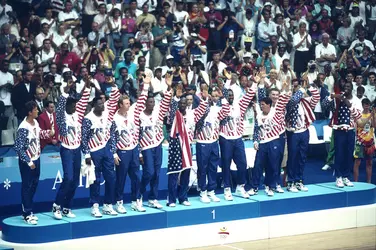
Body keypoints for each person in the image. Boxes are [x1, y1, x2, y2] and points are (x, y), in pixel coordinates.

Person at [52, 79, 91, 219]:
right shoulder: (62, 117)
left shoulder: (78, 114)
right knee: (68, 178)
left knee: (74, 180)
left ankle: (67, 207)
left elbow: (85, 99)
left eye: (75, 105)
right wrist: (66, 90)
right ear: (67, 107)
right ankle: (56, 205)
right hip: (67, 149)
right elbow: (60, 106)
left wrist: (87, 87)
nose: (75, 107)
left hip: (77, 149)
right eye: (72, 105)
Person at [81, 80, 120, 217]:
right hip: (94, 152)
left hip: (106, 149)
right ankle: (95, 205)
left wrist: (113, 85)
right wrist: (86, 154)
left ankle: (108, 205)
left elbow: (115, 97)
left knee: (111, 178)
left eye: (103, 103)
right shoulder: (88, 118)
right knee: (95, 180)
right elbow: (84, 138)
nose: (103, 106)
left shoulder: (106, 112)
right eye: (100, 104)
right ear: (94, 106)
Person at [166, 85, 208, 207]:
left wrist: (204, 99)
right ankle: (171, 199)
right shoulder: (174, 114)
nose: (183, 105)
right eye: (181, 103)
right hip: (175, 147)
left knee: (186, 172)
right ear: (179, 104)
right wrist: (175, 97)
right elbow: (172, 107)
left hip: (188, 146)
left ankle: (183, 197)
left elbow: (203, 108)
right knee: (174, 173)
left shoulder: (192, 114)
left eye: (185, 103)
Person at [14, 101, 54, 225]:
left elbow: (39, 134)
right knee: (26, 186)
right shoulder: (23, 128)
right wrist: (28, 161)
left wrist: (48, 133)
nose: (38, 111)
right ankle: (27, 212)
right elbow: (18, 148)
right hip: (28, 162)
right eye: (36, 109)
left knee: (34, 184)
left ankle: (27, 209)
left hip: (37, 158)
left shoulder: (35, 122)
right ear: (30, 112)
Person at [113, 79, 149, 214]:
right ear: (120, 105)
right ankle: (119, 202)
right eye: (127, 104)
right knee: (121, 179)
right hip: (122, 151)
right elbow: (112, 137)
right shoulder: (114, 118)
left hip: (133, 149)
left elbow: (141, 101)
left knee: (137, 177)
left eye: (129, 103)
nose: (129, 105)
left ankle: (136, 201)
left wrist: (146, 85)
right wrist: (114, 153)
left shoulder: (133, 113)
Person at [219, 79, 257, 200]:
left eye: (231, 96)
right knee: (226, 165)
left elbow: (250, 94)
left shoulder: (239, 105)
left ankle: (241, 186)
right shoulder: (221, 108)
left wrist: (255, 82)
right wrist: (224, 94)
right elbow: (221, 115)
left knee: (242, 164)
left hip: (238, 139)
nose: (230, 97)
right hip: (225, 139)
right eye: (228, 96)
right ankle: (227, 189)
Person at [139, 73, 173, 209]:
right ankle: (139, 193)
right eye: (150, 102)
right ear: (146, 103)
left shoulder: (158, 110)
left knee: (157, 173)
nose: (152, 104)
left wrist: (169, 85)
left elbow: (167, 100)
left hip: (158, 145)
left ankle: (153, 198)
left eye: (153, 102)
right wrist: (140, 152)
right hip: (146, 147)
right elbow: (137, 134)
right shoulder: (140, 114)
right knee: (149, 172)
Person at [251, 82, 291, 196]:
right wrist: (255, 140)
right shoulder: (259, 113)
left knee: (275, 163)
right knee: (259, 164)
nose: (275, 97)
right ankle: (257, 187)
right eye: (272, 94)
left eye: (276, 95)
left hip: (277, 138)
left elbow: (283, 100)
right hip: (263, 141)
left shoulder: (277, 111)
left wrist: (284, 90)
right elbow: (257, 128)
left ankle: (274, 185)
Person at [322, 82, 362, 187]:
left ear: (352, 88)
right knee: (339, 154)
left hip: (350, 130)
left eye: (348, 86)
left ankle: (346, 177)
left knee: (349, 155)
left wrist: (346, 101)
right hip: (338, 129)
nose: (346, 88)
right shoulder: (337, 99)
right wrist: (331, 97)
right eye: (345, 87)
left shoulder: (356, 101)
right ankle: (338, 177)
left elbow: (358, 116)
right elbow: (324, 105)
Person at [195, 86, 230, 203]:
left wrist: (223, 97)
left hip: (214, 142)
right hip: (202, 142)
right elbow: (198, 116)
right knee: (202, 168)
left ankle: (211, 191)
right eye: (212, 95)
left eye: (216, 96)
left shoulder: (217, 108)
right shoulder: (200, 108)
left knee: (213, 168)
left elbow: (226, 111)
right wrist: (204, 100)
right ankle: (203, 192)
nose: (214, 98)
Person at [285, 78, 320, 192]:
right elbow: (294, 100)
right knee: (293, 157)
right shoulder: (289, 102)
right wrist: (300, 89)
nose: (297, 91)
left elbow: (316, 97)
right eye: (295, 88)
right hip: (293, 133)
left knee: (302, 157)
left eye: (298, 88)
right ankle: (290, 182)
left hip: (304, 131)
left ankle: (299, 180)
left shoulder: (305, 101)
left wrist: (308, 86)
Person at [353, 98, 375, 183]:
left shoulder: (373, 115)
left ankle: (369, 182)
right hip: (360, 141)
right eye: (365, 104)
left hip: (370, 142)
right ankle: (356, 182)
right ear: (362, 105)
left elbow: (374, 126)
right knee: (357, 162)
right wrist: (370, 116)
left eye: (368, 104)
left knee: (369, 163)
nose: (366, 106)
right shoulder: (359, 115)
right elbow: (361, 124)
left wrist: (373, 116)